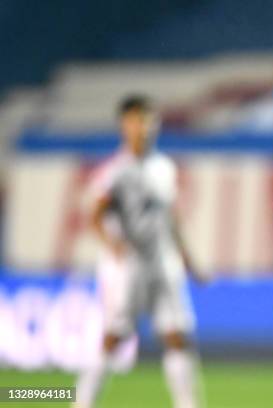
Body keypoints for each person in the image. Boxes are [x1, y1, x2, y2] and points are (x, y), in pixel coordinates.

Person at [75, 95, 200, 408]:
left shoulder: (163, 167)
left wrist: (186, 256)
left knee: (177, 335)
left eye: (148, 119)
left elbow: (170, 216)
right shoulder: (116, 171)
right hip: (129, 266)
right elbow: (95, 213)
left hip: (163, 261)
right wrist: (112, 244)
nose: (143, 127)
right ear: (124, 125)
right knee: (113, 337)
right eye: (136, 120)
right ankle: (82, 401)